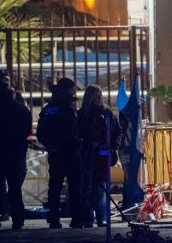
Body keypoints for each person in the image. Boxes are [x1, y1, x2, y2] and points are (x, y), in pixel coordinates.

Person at [37, 77, 82, 229]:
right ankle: (76, 218)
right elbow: (71, 131)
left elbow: (40, 132)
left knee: (55, 187)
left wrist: (50, 145)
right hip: (70, 153)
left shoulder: (49, 108)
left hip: (56, 154)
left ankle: (54, 219)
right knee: (74, 187)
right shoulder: (68, 108)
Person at [0, 80, 32, 230]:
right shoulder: (21, 108)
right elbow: (27, 130)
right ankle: (18, 219)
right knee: (15, 187)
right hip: (15, 152)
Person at [77, 85, 121, 227]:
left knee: (101, 185)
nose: (100, 99)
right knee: (88, 186)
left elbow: (118, 131)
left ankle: (102, 217)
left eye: (101, 96)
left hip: (103, 153)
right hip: (88, 152)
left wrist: (113, 147)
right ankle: (88, 217)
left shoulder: (107, 113)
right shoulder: (83, 114)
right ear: (89, 98)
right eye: (97, 96)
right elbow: (77, 132)